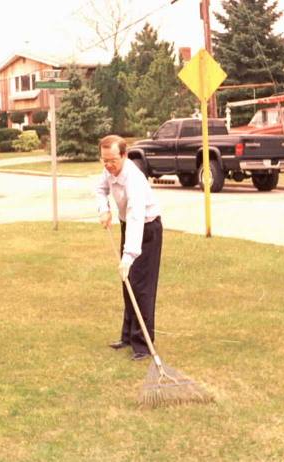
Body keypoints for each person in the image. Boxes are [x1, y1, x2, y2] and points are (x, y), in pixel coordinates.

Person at [96, 134, 163, 361]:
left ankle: (143, 345)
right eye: (104, 160)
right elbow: (99, 189)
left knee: (141, 287)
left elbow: (136, 217)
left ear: (124, 155)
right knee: (128, 284)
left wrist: (129, 256)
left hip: (147, 230)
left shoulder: (134, 179)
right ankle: (128, 336)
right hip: (129, 226)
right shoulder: (109, 169)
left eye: (112, 160)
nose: (108, 165)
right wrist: (103, 209)